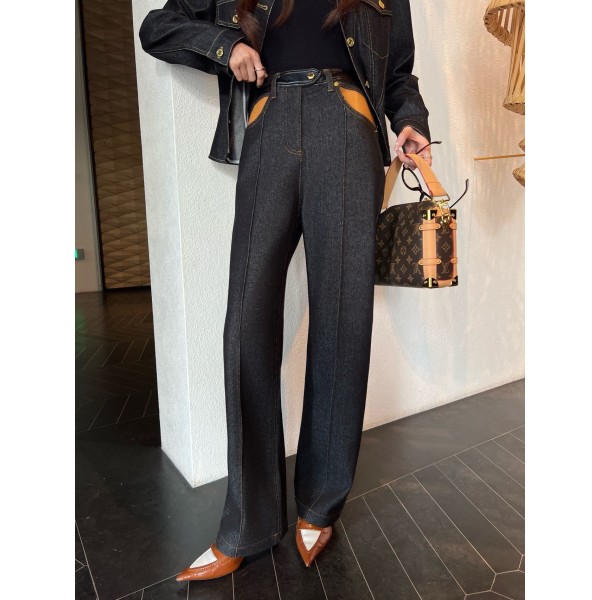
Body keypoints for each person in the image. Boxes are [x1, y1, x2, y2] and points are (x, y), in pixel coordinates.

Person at [138, 0, 432, 581]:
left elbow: (398, 72)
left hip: (348, 127)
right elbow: (157, 27)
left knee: (343, 319)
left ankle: (320, 503)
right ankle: (246, 523)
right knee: (246, 319)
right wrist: (228, 47)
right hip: (269, 122)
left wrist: (410, 120)